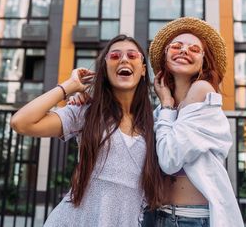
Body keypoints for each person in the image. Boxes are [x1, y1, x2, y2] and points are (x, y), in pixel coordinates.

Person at [10, 35, 164, 227]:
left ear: (142, 69)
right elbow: (20, 122)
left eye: (132, 55)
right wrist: (69, 86)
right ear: (105, 69)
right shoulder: (86, 112)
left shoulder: (155, 122)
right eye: (115, 56)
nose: (124, 59)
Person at [149, 17, 244, 227]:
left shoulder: (202, 90)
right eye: (176, 46)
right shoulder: (163, 110)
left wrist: (165, 103)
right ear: (165, 55)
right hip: (159, 216)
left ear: (203, 61)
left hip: (189, 219)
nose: (184, 51)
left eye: (194, 49)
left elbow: (168, 159)